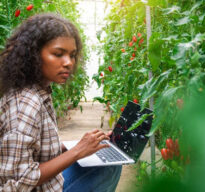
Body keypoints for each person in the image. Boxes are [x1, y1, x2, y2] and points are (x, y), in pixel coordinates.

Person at [0, 13, 122, 192]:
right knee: (109, 166)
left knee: (108, 160)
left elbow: (34, 152)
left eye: (72, 55)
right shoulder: (26, 104)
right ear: (33, 54)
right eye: (58, 54)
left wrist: (82, 145)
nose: (68, 63)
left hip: (45, 184)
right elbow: (18, 183)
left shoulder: (38, 91)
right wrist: (77, 152)